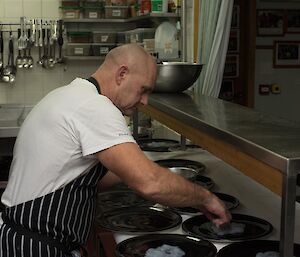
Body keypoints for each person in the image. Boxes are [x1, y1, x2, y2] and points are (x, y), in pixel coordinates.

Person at [0, 43, 231, 257]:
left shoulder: (69, 95)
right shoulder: (95, 107)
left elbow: (87, 177)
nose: (145, 101)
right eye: (143, 90)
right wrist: (205, 197)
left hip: (22, 237)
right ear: (122, 74)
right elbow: (150, 184)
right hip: (35, 246)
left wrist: (148, 169)